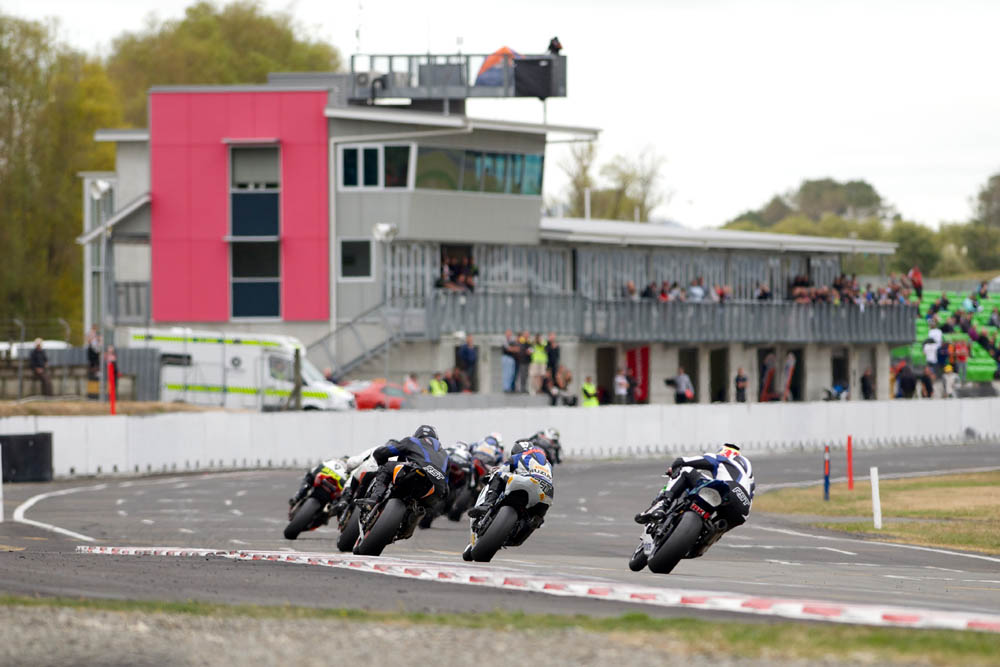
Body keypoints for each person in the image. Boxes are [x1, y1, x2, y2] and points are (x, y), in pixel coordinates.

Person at [634, 443, 754, 534]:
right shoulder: (748, 476)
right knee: (713, 531)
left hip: (728, 488)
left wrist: (674, 467)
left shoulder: (721, 458)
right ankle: (704, 540)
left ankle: (662, 505)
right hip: (743, 510)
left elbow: (683, 461)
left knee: (685, 470)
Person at [362, 425, 450, 537]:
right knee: (426, 504)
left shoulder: (412, 441)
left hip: (417, 473)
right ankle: (410, 523)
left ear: (417, 434)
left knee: (386, 467)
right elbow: (447, 488)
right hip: (437, 487)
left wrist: (380, 461)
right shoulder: (445, 454)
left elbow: (384, 452)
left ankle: (374, 498)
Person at [468, 439, 553, 518]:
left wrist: (489, 477)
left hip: (529, 481)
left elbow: (502, 469)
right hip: (547, 492)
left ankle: (486, 505)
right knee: (536, 517)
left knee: (498, 474)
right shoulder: (547, 463)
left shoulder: (519, 455)